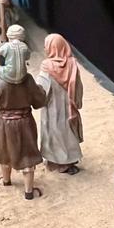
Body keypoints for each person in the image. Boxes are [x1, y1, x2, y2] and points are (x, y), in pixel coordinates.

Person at [0, 27, 48, 200]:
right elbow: (39, 101)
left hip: (5, 123)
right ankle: (28, 192)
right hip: (25, 122)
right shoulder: (27, 80)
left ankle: (6, 181)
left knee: (4, 152)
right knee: (27, 155)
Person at [36, 33, 84, 174]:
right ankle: (69, 161)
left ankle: (56, 163)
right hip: (69, 107)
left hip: (52, 107)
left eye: (47, 46)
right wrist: (76, 102)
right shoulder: (72, 64)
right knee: (67, 133)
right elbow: (79, 87)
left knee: (54, 133)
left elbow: (42, 90)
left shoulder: (47, 66)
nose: (45, 48)